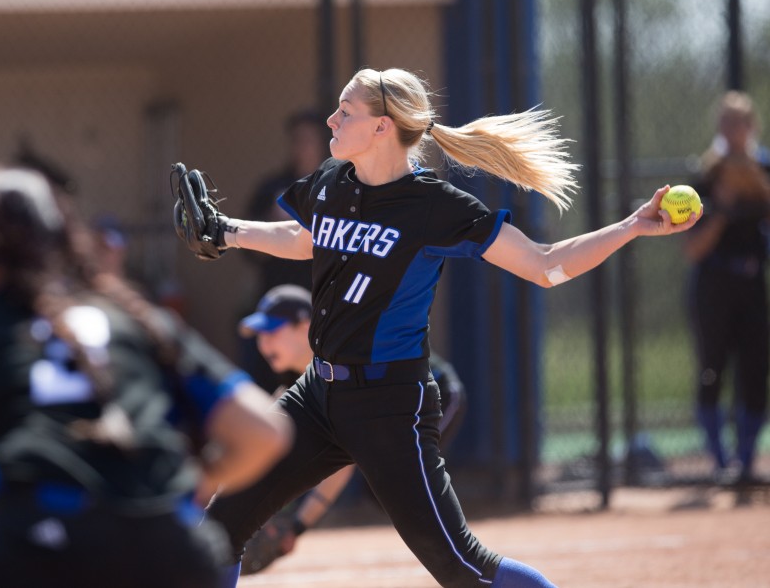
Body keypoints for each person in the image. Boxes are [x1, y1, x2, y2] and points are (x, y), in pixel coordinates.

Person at [177, 67, 700, 587]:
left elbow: (544, 265)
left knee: (461, 567)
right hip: (317, 396)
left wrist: (632, 225)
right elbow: (305, 237)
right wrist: (226, 231)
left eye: (346, 111)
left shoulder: (434, 206)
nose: (332, 119)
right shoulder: (333, 182)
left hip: (388, 406)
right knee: (222, 527)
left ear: (383, 127)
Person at [0, 166, 292, 587]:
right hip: (172, 552)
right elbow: (264, 433)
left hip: (37, 553)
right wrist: (183, 486)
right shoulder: (135, 320)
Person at [235, 283, 467, 575]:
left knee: (401, 481)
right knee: (383, 487)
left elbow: (343, 461)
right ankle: (445, 538)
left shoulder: (337, 359)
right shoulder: (314, 378)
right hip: (391, 407)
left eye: (272, 331)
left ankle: (459, 547)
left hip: (436, 393)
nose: (264, 344)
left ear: (305, 324)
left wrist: (298, 525)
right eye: (260, 335)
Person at [684, 90, 770, 486]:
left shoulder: (763, 168)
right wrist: (722, 207)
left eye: (741, 122)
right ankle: (720, 463)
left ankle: (747, 461)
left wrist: (757, 189)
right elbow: (693, 249)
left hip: (753, 283)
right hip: (714, 285)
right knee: (711, 369)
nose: (733, 130)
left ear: (752, 127)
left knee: (755, 371)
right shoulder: (707, 174)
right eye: (727, 122)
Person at [239, 110, 328, 392]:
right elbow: (248, 249)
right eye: (296, 140)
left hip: (321, 303)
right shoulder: (273, 188)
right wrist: (275, 225)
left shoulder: (341, 187)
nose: (301, 147)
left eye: (308, 140)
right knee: (269, 379)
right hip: (277, 301)